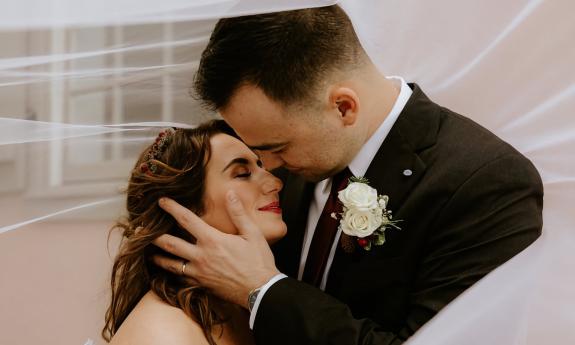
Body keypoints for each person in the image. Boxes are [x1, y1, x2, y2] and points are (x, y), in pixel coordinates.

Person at [152, 5, 544, 345]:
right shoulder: (286, 173)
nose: (267, 170)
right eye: (255, 152)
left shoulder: (483, 183)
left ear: (343, 107)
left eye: (277, 147)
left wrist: (263, 291)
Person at [102, 120, 286, 345]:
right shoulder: (163, 333)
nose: (276, 183)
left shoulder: (243, 307)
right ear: (184, 210)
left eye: (262, 167)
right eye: (242, 173)